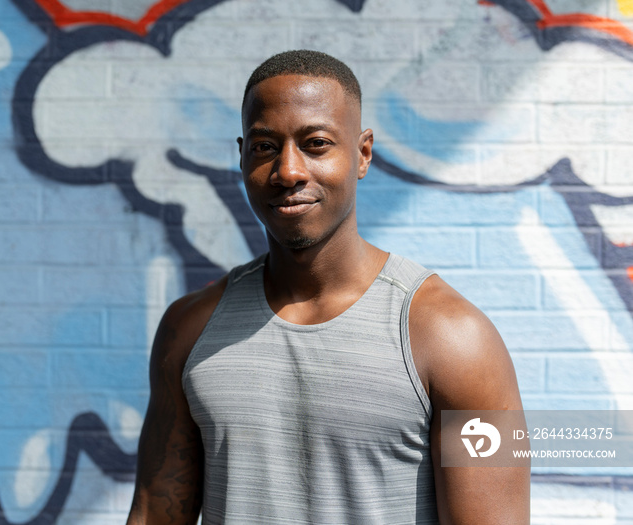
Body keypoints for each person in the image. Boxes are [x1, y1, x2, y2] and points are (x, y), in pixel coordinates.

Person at [126, 49, 529, 524]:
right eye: (264, 146)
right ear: (240, 156)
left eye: (316, 143)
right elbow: (155, 514)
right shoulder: (190, 328)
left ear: (362, 154)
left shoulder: (451, 337)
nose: (289, 171)